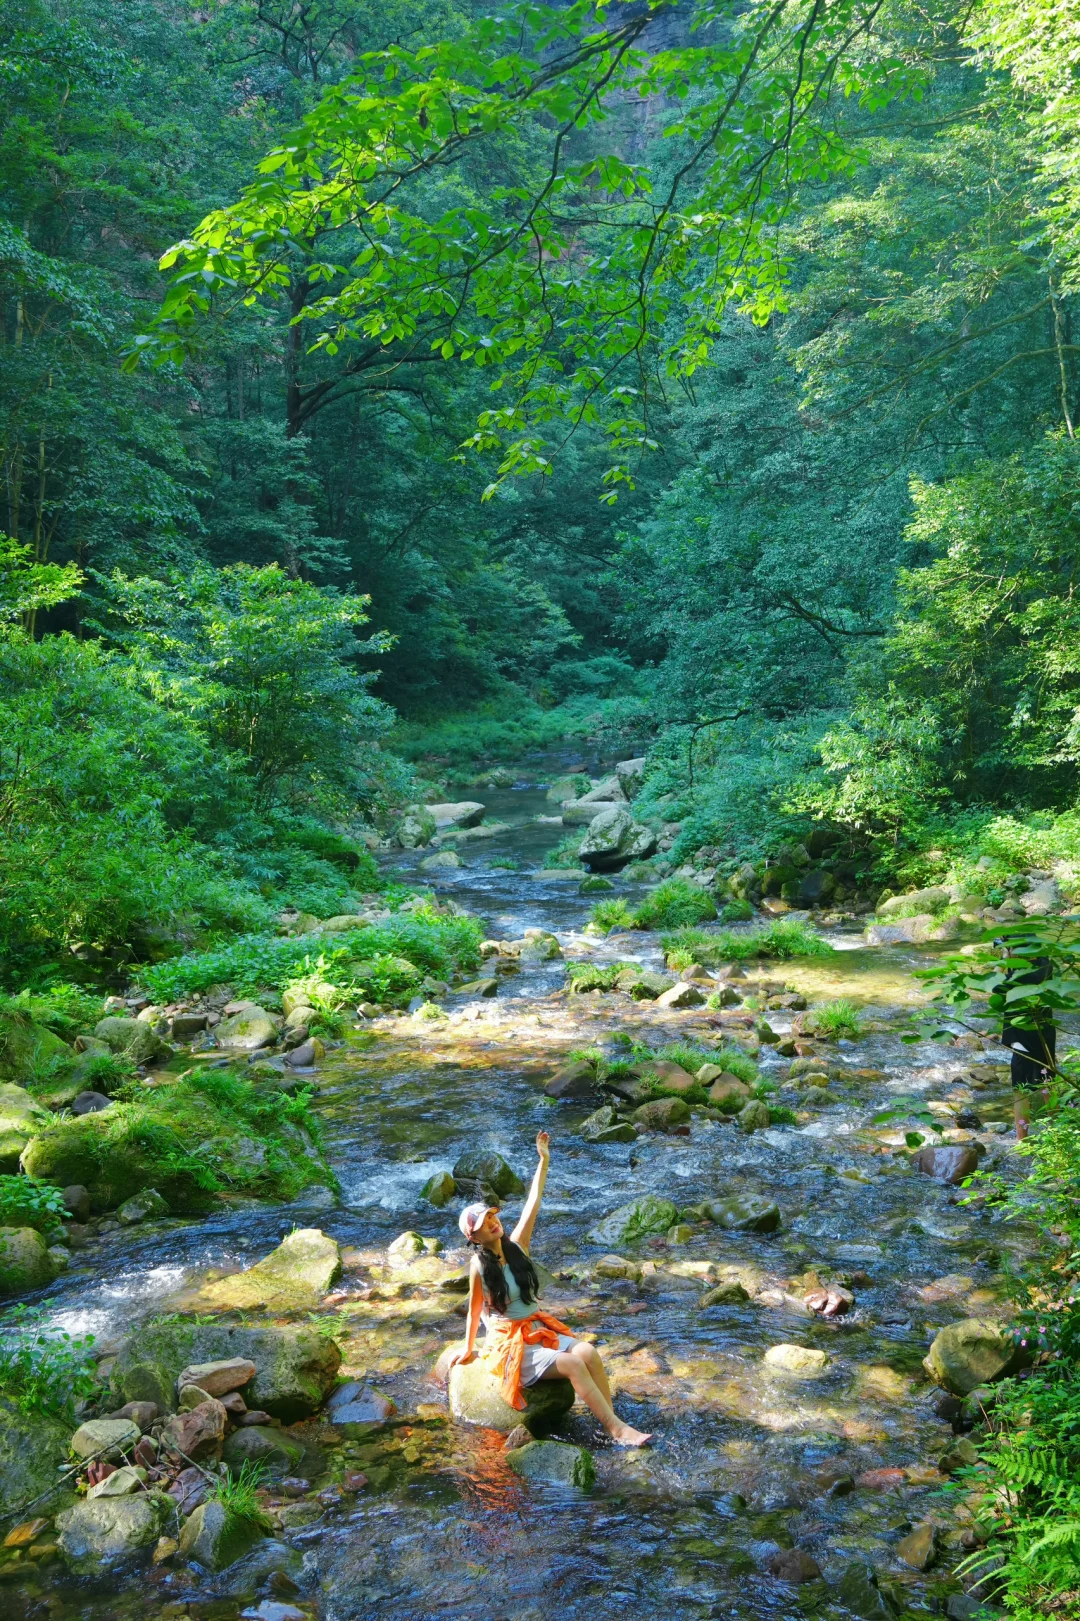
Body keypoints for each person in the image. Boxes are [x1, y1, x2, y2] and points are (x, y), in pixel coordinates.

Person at [445, 1130, 652, 1447]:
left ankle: (607, 1420)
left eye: (491, 1216)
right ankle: (618, 1431)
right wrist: (468, 1348)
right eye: (483, 1224)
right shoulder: (479, 1267)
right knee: (571, 1363)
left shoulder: (518, 1246)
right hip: (510, 1342)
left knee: (588, 1352)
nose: (491, 1223)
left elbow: (534, 1201)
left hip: (536, 1327)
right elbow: (474, 1311)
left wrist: (543, 1160)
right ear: (474, 1238)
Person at [998, 940, 1057, 1142]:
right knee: (1048, 1081)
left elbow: (998, 991)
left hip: (1022, 1036)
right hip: (1046, 1031)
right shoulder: (1046, 964)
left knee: (1020, 1090)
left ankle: (1022, 1139)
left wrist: (1005, 961)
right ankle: (1056, 1130)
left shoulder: (1017, 975)